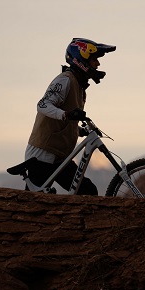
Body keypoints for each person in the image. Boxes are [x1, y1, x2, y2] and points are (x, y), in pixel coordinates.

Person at [25, 38, 116, 195]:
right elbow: (43, 105)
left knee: (88, 192)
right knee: (34, 202)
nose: (98, 64)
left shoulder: (79, 86)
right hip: (42, 154)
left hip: (59, 156)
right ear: (81, 60)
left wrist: (80, 131)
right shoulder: (65, 79)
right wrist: (67, 114)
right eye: (94, 59)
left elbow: (65, 120)